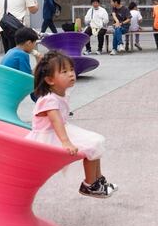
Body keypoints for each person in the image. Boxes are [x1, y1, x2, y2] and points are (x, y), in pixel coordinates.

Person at [27, 51, 118, 199]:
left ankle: (98, 180)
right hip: (49, 137)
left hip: (61, 130)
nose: (71, 74)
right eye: (64, 72)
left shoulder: (61, 92)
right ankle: (89, 185)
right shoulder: (49, 99)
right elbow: (56, 121)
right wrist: (66, 142)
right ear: (50, 80)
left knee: (97, 141)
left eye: (71, 69)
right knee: (92, 144)